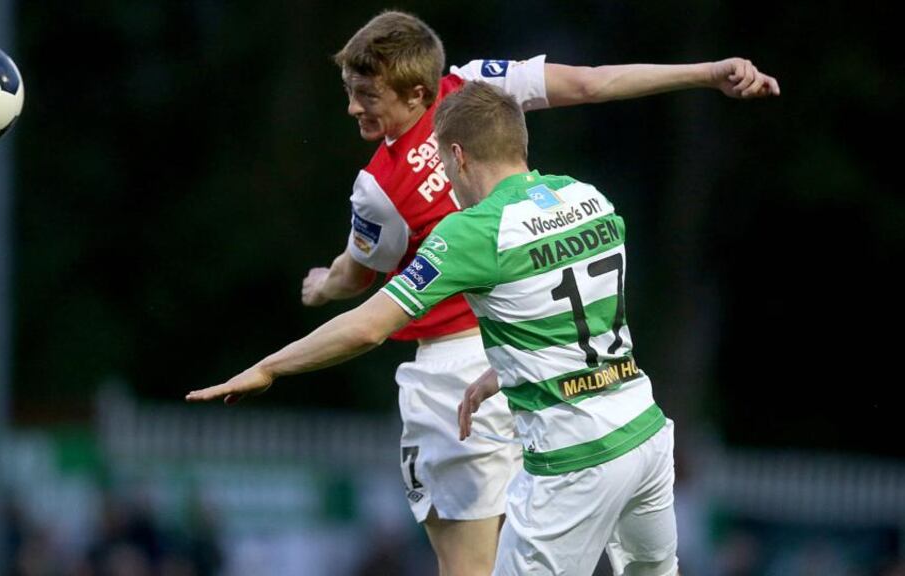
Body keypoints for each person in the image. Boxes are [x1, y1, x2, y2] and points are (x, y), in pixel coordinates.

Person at [293, 10, 777, 576]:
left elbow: (359, 278)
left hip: (456, 374)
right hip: (541, 347)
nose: (353, 107)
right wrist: (705, 73)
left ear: (415, 93)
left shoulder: (379, 185)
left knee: (469, 566)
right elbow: (591, 83)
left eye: (365, 94)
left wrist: (322, 287)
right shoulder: (479, 85)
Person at [188, 79, 732, 574]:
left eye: (447, 170)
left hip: (574, 461)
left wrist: (268, 368)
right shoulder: (587, 197)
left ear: (457, 155)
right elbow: (579, 313)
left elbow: (368, 327)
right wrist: (502, 374)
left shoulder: (474, 232)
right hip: (644, 435)